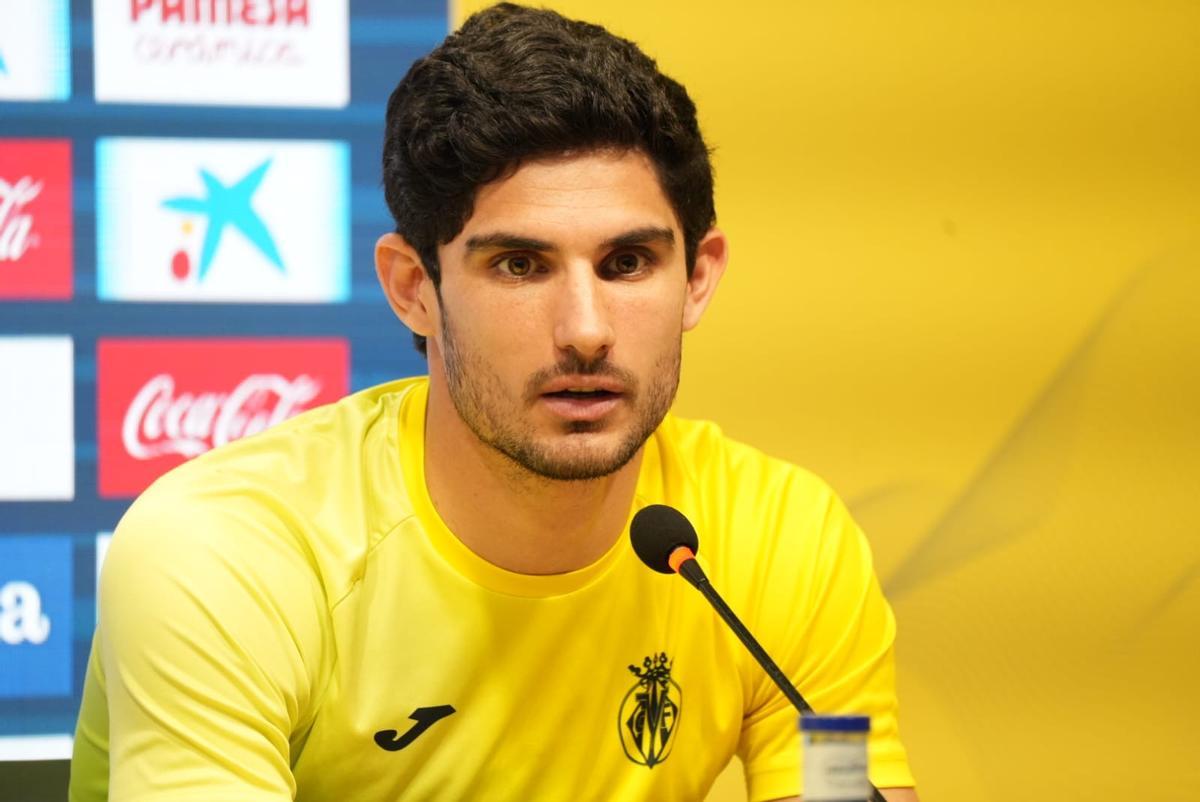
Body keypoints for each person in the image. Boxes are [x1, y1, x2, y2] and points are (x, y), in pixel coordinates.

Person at [70, 4, 918, 801]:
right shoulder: (230, 550)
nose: (586, 331)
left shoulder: (782, 541)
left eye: (627, 264)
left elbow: (840, 788)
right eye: (519, 265)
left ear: (697, 279)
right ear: (413, 289)